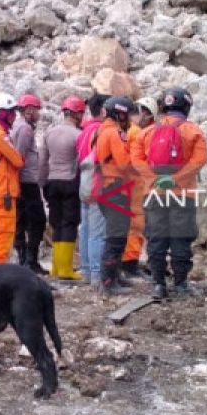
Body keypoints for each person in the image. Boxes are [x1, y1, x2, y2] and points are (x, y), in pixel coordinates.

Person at [132, 88, 207, 300]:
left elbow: (136, 160)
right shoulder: (194, 131)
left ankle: (158, 284)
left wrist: (154, 179)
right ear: (186, 107)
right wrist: (176, 179)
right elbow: (199, 161)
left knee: (156, 239)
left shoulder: (146, 133)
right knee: (181, 239)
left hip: (153, 194)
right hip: (184, 195)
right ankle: (181, 285)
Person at [93, 96, 136, 294]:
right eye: (126, 115)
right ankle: (109, 282)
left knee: (117, 233)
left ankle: (113, 275)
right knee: (116, 236)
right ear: (119, 114)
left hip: (105, 187)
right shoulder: (113, 133)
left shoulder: (101, 131)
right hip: (115, 188)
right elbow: (124, 163)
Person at [42, 96, 85, 280]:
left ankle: (56, 268)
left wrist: (42, 184)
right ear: (76, 113)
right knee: (69, 223)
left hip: (52, 181)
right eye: (81, 113)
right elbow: (83, 161)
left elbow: (42, 162)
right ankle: (66, 269)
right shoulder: (78, 135)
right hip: (70, 181)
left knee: (56, 222)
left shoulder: (49, 133)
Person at [11, 93, 47, 274]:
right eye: (37, 110)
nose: (39, 114)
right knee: (37, 221)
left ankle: (24, 259)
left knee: (22, 221)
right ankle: (29, 260)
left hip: (22, 182)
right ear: (29, 110)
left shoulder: (18, 126)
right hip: (26, 182)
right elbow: (18, 156)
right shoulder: (25, 129)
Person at [0, 93, 24, 264]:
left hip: (4, 192)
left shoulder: (0, 134)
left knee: (4, 232)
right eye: (11, 112)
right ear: (1, 114)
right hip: (4, 193)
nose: (14, 116)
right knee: (4, 233)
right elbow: (18, 161)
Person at [122, 97, 158, 277]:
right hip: (136, 184)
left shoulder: (127, 130)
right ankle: (130, 263)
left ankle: (127, 260)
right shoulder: (137, 132)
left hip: (126, 182)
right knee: (136, 224)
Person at [75, 94, 108, 284]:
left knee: (86, 230)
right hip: (97, 184)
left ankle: (87, 271)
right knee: (98, 233)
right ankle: (97, 275)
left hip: (84, 184)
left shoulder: (84, 131)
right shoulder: (101, 131)